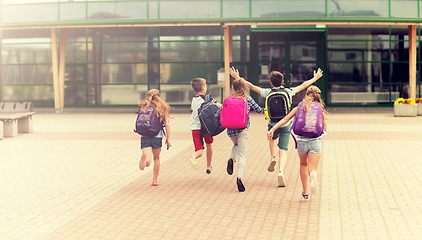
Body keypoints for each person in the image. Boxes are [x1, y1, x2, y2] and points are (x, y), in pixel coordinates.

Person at [229, 67, 323, 187]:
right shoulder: (288, 92)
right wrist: (315, 78)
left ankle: (272, 157)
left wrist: (238, 78)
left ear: (271, 83)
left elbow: (251, 86)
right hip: (286, 124)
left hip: (273, 123)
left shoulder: (267, 92)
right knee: (283, 150)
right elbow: (303, 86)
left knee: (272, 138)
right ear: (282, 82)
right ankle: (281, 172)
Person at [267, 86, 327, 199]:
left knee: (303, 164)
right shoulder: (320, 108)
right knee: (312, 168)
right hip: (315, 141)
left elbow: (285, 119)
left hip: (301, 142)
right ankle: (313, 174)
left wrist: (272, 129)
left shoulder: (299, 107)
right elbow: (324, 128)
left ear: (306, 94)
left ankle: (305, 192)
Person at [225, 78, 264, 192]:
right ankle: (239, 178)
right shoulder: (247, 99)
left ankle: (232, 158)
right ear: (245, 87)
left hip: (230, 130)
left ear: (233, 88)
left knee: (236, 145)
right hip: (243, 129)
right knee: (242, 154)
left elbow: (221, 113)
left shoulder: (228, 99)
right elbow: (258, 109)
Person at [138, 89, 172, 186]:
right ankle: (155, 180)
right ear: (159, 96)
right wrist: (168, 138)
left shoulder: (143, 106)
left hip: (144, 135)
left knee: (148, 157)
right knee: (156, 158)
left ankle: (146, 160)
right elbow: (167, 124)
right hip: (157, 136)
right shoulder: (162, 107)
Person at [188, 78, 221, 174]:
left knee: (199, 150)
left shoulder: (193, 99)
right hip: (206, 127)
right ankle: (208, 166)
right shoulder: (208, 98)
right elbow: (219, 105)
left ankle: (193, 156)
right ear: (203, 88)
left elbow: (192, 109)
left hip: (195, 128)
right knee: (209, 144)